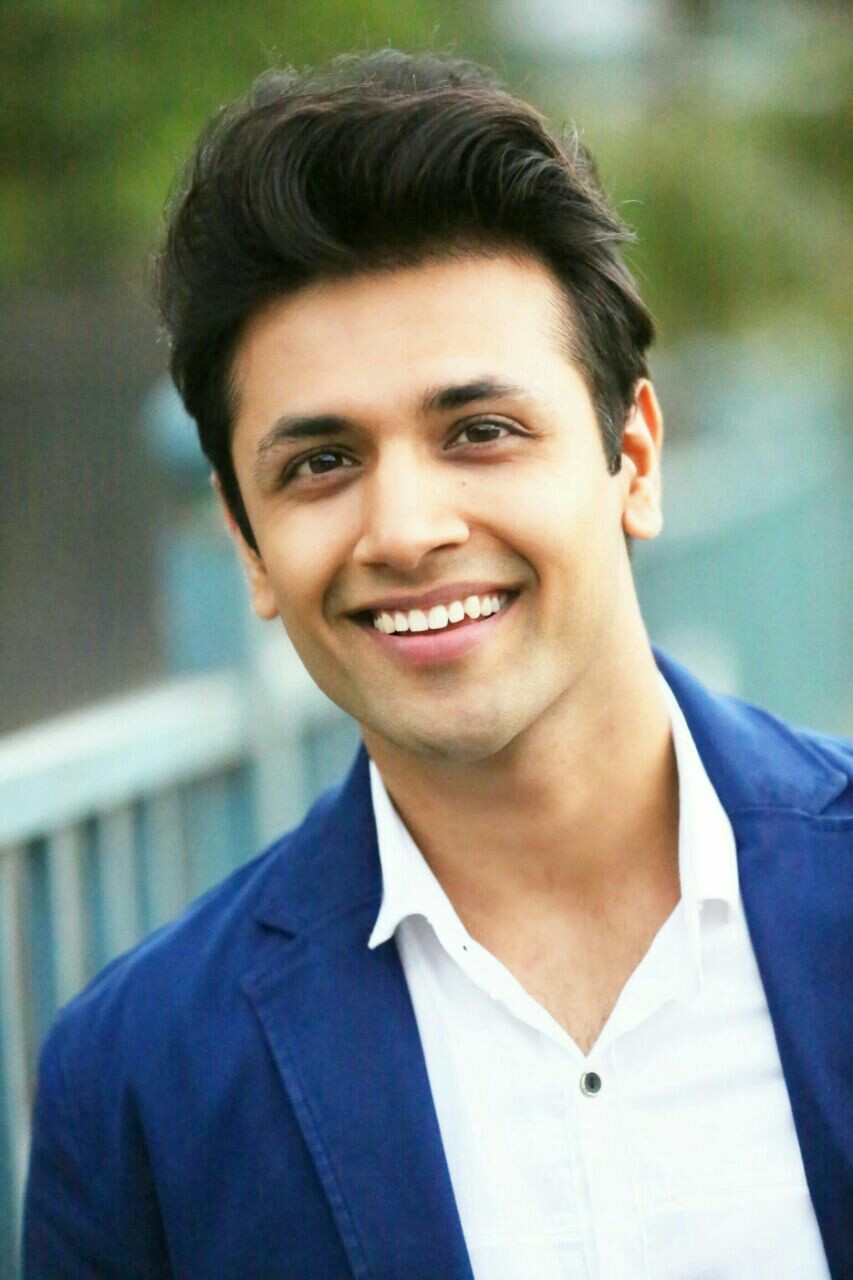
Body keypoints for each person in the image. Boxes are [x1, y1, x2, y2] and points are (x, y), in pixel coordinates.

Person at [23, 50, 850, 1280]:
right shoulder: (140, 1082)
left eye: (480, 431)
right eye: (320, 463)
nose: (404, 531)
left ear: (631, 459)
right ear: (248, 545)